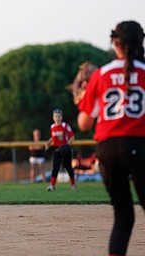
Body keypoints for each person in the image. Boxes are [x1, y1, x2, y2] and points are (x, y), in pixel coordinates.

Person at [77, 21, 145, 256]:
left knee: (123, 216)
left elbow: (84, 123)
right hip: (138, 144)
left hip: (106, 149)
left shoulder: (101, 74)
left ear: (114, 43)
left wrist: (83, 95)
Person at [45, 109, 76, 191]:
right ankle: (52, 185)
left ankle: (73, 185)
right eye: (55, 116)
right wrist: (48, 143)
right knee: (55, 167)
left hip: (65, 149)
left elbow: (72, 137)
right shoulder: (52, 127)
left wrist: (66, 145)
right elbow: (52, 137)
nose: (57, 118)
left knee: (68, 167)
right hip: (56, 149)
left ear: (61, 117)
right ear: (53, 117)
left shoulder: (65, 126)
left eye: (59, 116)